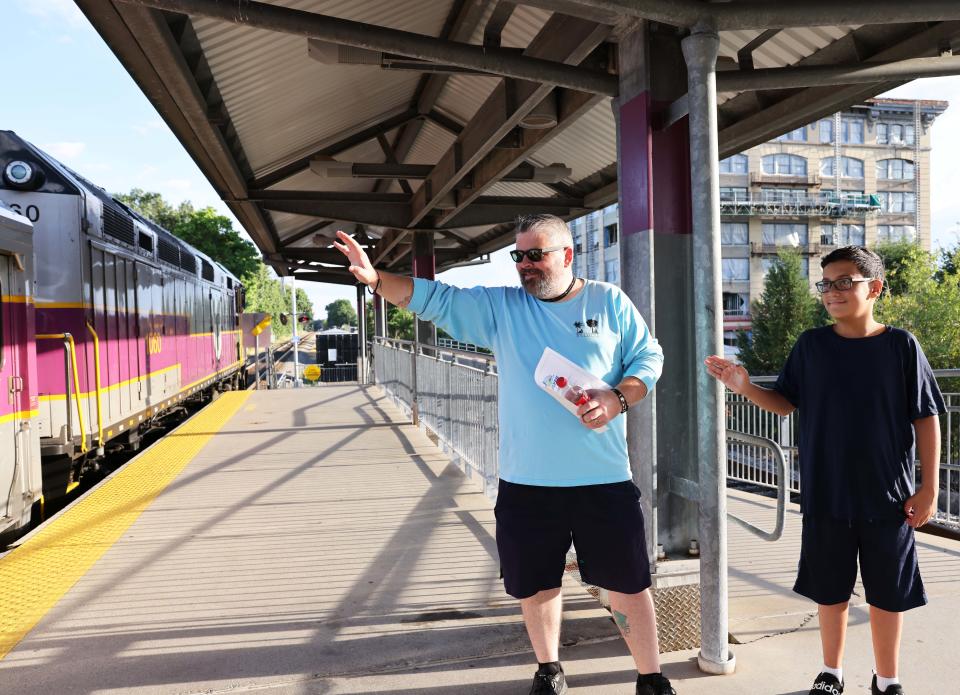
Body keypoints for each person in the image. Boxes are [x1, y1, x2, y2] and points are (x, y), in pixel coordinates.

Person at [334, 214, 674, 695]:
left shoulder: (608, 301)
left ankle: (650, 677)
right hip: (527, 480)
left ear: (567, 256)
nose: (525, 265)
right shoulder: (502, 307)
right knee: (536, 583)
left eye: (536, 255)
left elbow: (649, 357)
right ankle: (549, 669)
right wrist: (375, 280)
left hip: (602, 478)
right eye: (518, 256)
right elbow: (433, 298)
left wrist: (619, 397)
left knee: (627, 582)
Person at [704, 246, 944, 695]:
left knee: (888, 594)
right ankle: (830, 673)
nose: (832, 292)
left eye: (844, 282)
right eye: (826, 284)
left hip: (888, 498)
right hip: (824, 493)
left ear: (874, 288)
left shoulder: (901, 346)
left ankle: (887, 679)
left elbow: (926, 417)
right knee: (829, 591)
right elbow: (784, 402)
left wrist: (928, 487)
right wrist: (744, 386)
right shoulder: (811, 346)